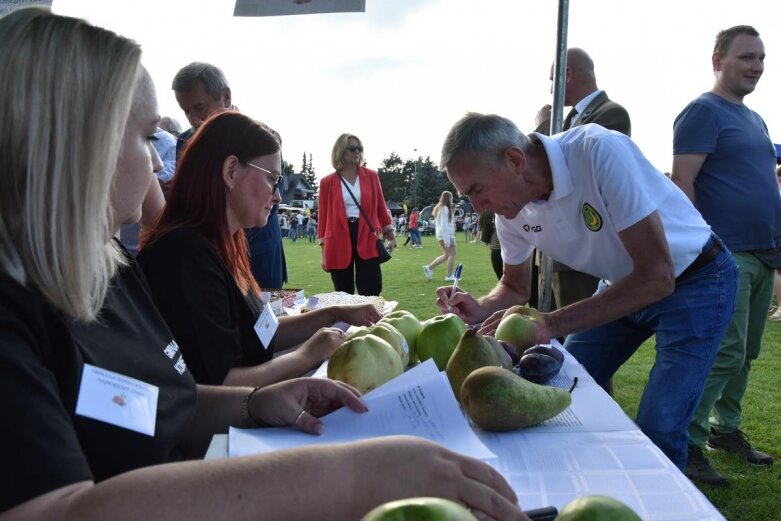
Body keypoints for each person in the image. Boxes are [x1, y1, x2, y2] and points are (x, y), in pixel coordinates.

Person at [0, 10, 525, 521]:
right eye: (142, 138)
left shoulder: (106, 266)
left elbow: (160, 403)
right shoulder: (16, 308)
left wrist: (256, 403)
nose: (159, 161)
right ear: (74, 143)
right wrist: (346, 476)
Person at [436, 112, 738, 471]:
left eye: (477, 190)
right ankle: (579, 481)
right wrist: (481, 306)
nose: (476, 207)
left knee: (660, 424)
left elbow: (657, 277)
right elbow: (514, 286)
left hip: (697, 278)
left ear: (515, 160)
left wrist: (550, 322)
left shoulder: (598, 152)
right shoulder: (509, 212)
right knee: (565, 387)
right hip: (620, 285)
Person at [137, 112, 382, 386]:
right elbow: (220, 383)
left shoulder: (218, 246)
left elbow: (263, 332)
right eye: (272, 179)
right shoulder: (184, 259)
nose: (277, 196)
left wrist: (335, 313)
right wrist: (307, 355)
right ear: (231, 171)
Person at [672, 25, 780, 486]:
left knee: (748, 351)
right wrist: (703, 249)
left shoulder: (755, 119)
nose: (756, 66)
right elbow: (683, 183)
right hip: (726, 253)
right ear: (718, 61)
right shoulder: (702, 111)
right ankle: (688, 440)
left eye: (760, 58)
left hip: (763, 251)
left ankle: (725, 429)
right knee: (725, 351)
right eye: (746, 57)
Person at [172, 61, 288, 289]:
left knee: (267, 324)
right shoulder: (184, 143)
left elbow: (272, 198)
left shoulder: (262, 137)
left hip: (257, 257)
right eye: (186, 111)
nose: (194, 119)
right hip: (204, 262)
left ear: (226, 96)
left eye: (200, 108)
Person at [534, 48, 631, 315]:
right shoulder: (567, 120)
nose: (552, 89)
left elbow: (563, 165)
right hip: (558, 251)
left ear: (568, 74)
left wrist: (543, 127)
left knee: (579, 340)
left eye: (553, 80)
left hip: (585, 251)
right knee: (551, 341)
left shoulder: (611, 113)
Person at [318, 134, 395, 296]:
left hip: (367, 235)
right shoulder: (327, 182)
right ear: (340, 151)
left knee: (371, 288)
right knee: (343, 292)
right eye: (352, 148)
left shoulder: (372, 176)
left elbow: (381, 207)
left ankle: (371, 321)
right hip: (337, 238)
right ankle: (347, 321)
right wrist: (323, 251)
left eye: (359, 148)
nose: (357, 152)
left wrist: (390, 234)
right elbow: (323, 218)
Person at [423, 191, 458, 282]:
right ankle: (449, 276)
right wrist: (447, 240)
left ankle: (429, 267)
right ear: (448, 198)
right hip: (445, 235)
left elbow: (445, 223)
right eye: (451, 198)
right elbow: (444, 225)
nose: (452, 200)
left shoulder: (441, 208)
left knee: (447, 255)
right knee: (452, 254)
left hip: (442, 235)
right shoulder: (444, 209)